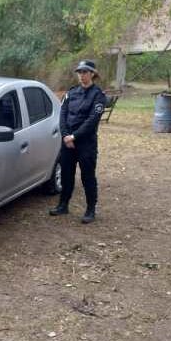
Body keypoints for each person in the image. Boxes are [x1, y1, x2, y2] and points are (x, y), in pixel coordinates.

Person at [49, 59, 107, 223]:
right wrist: (66, 136)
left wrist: (74, 137)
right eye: (80, 72)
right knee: (66, 174)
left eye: (85, 72)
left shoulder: (98, 96)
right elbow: (63, 115)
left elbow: (92, 120)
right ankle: (63, 205)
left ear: (93, 74)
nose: (82, 75)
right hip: (67, 142)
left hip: (85, 143)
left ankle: (90, 210)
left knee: (87, 177)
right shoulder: (71, 92)